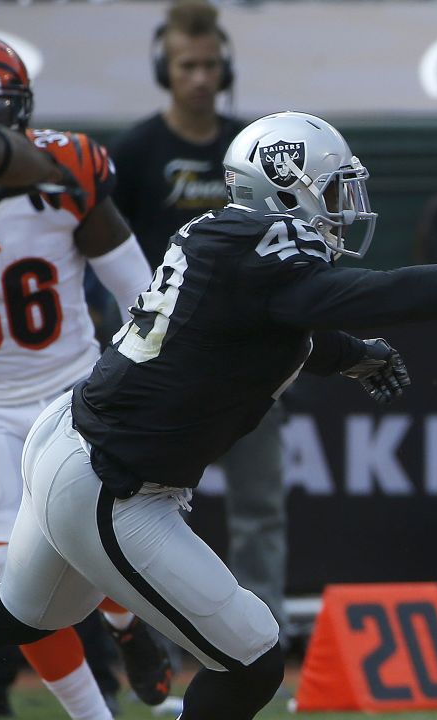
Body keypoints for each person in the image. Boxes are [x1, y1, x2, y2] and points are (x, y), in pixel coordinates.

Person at [0, 109, 437, 720]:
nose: (345, 209)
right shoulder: (263, 250)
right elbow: (378, 296)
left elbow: (260, 332)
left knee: (17, 614)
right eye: (332, 191)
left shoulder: (230, 241)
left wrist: (348, 355)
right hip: (112, 485)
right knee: (254, 659)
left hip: (73, 443)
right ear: (284, 183)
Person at [0, 34, 177, 716]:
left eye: (1, 112)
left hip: (70, 388)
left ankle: (127, 626)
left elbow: (142, 290)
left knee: (88, 541)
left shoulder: (65, 170)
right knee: (4, 575)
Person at [107, 0, 293, 646]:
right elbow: (105, 251)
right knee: (144, 508)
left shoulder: (250, 147)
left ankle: (262, 635)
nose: (200, 78)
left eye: (211, 65)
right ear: (165, 67)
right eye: (187, 65)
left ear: (226, 66)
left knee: (260, 506)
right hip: (164, 364)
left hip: (252, 357)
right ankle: (152, 643)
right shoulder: (135, 152)